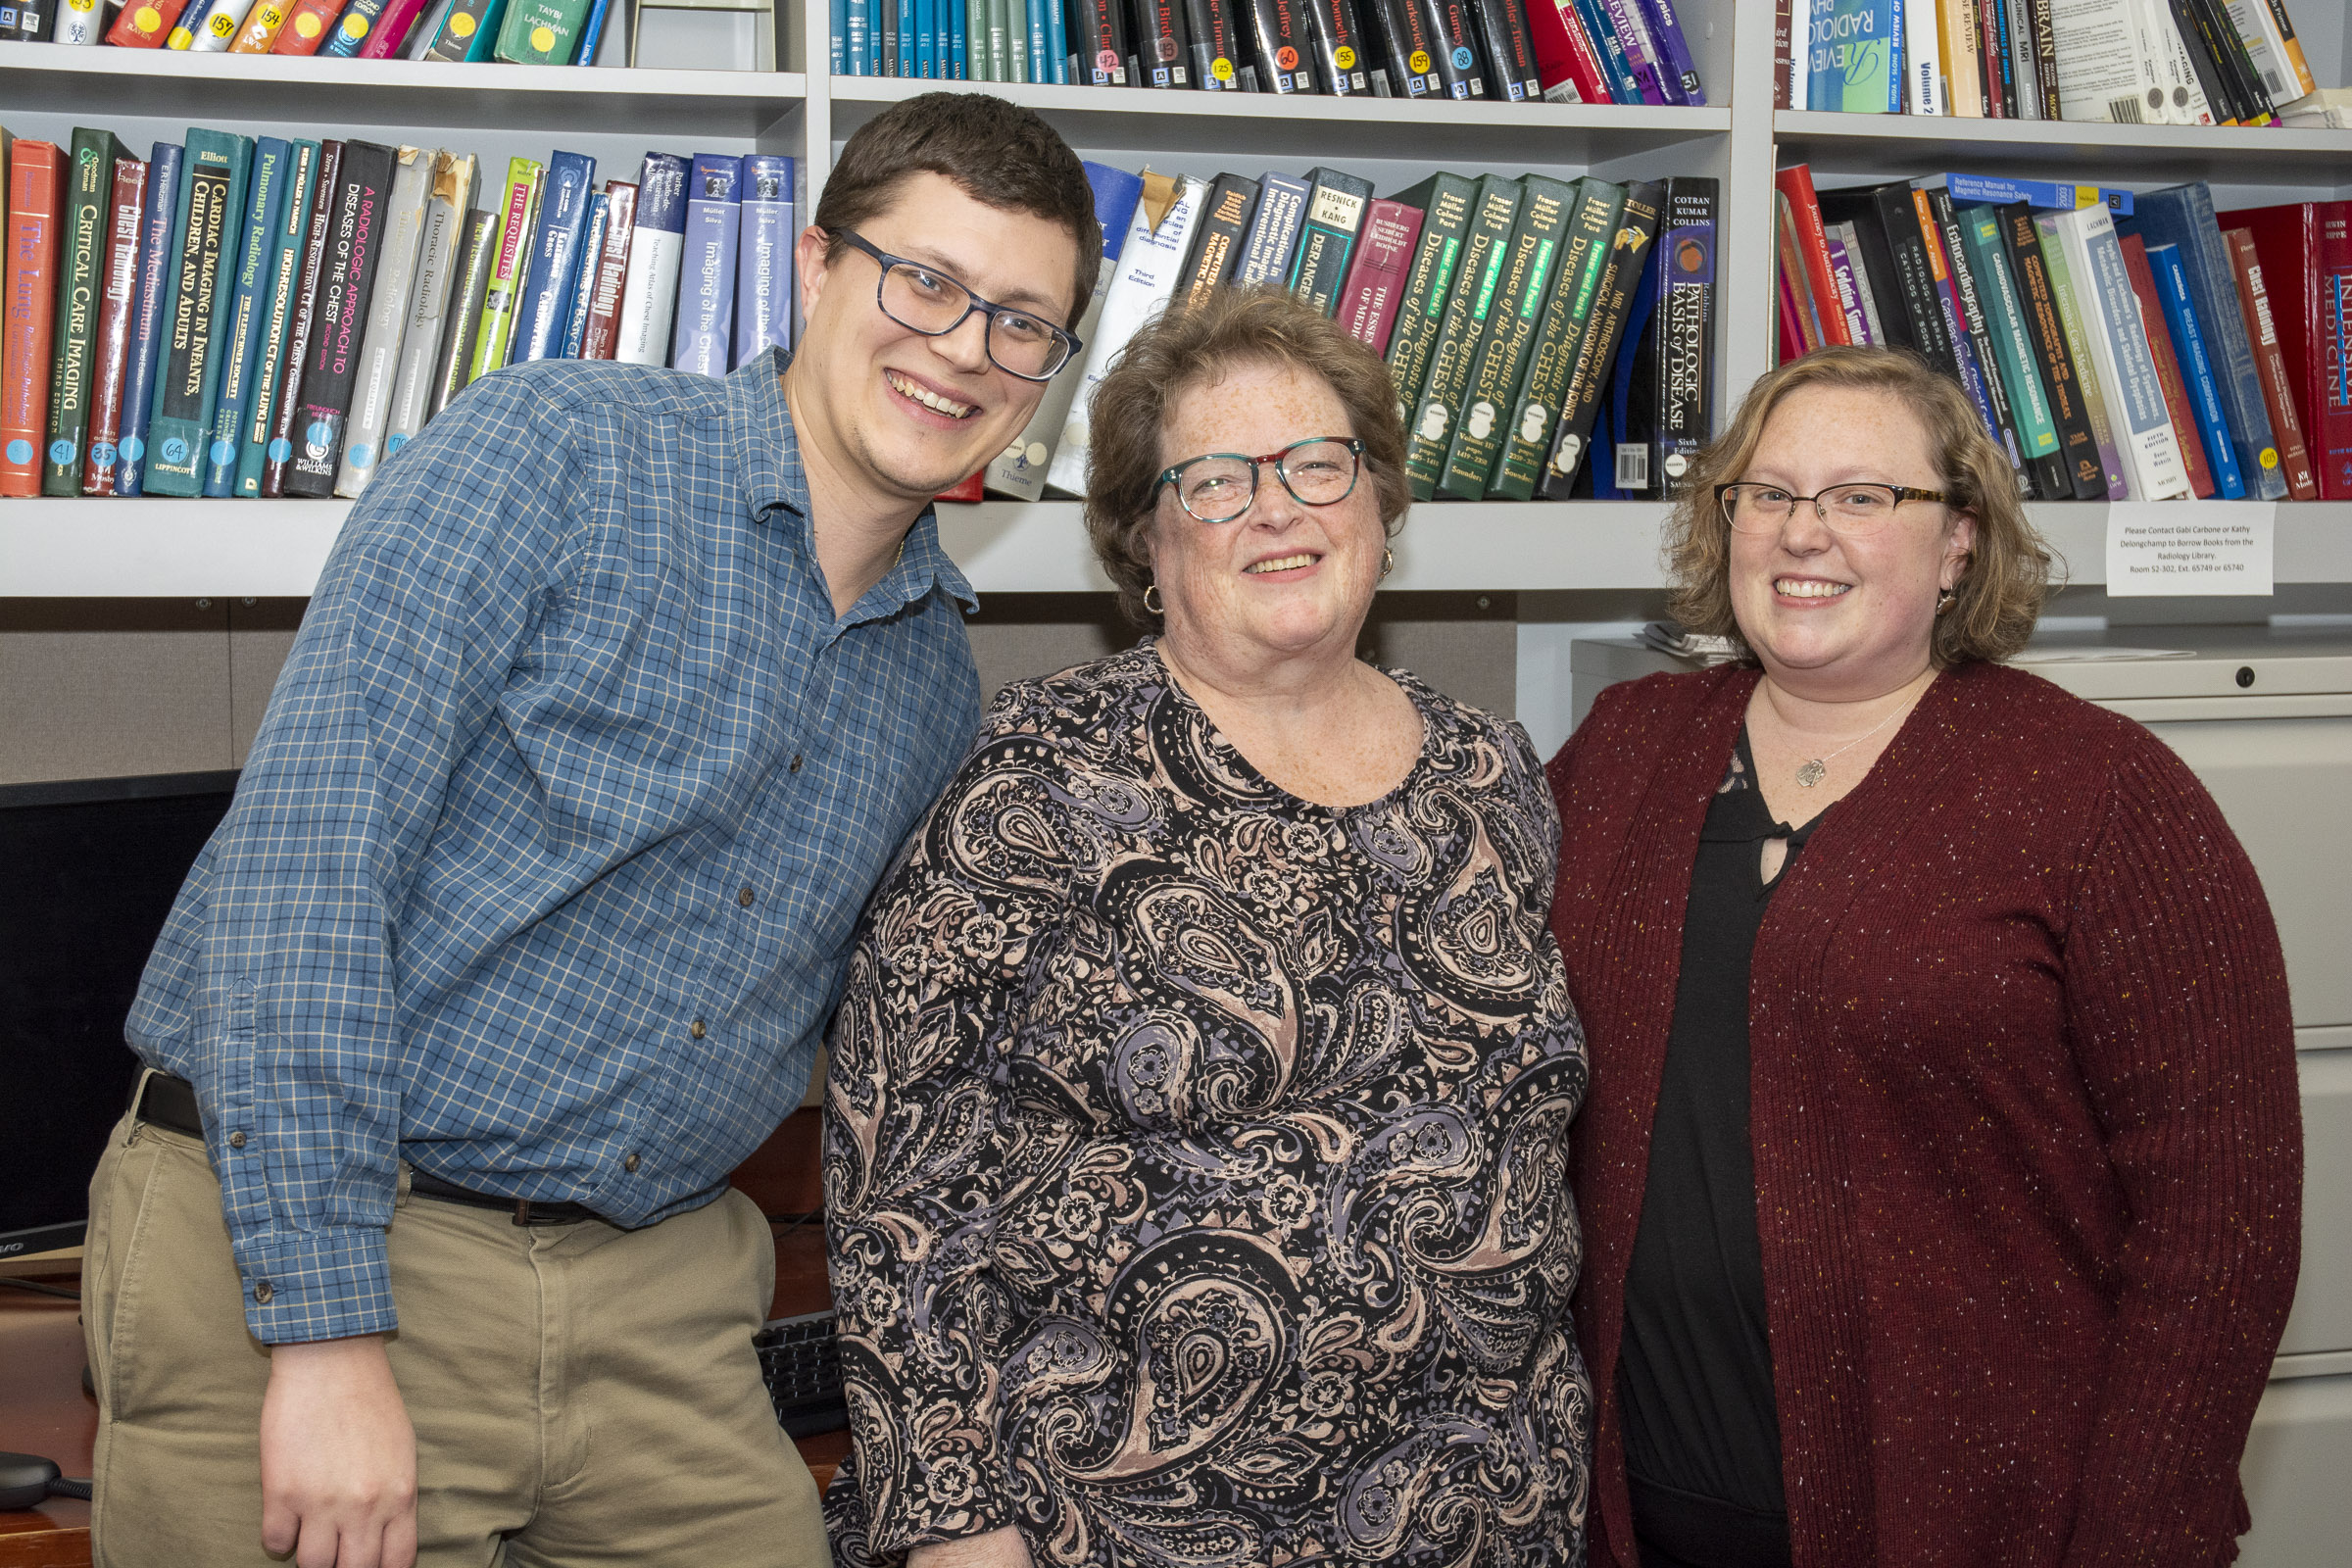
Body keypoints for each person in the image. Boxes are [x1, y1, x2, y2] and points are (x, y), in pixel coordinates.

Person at [82, 91, 1099, 1568]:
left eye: (1021, 323)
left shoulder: (935, 675)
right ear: (817, 264)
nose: (962, 348)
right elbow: (306, 876)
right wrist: (327, 1338)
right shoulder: (554, 450)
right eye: (925, 281)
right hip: (329, 1236)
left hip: (657, 1298)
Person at [820, 287, 1593, 1568]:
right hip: (1110, 1529)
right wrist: (955, 1529)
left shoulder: (1493, 774)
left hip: (1492, 1516)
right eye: (1218, 481)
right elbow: (897, 1189)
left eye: (1317, 464)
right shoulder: (1032, 779)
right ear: (1147, 539)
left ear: (1380, 502)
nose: (1277, 507)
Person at [1546, 345, 2304, 1568]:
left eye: (1862, 496)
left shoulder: (2101, 794)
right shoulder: (1622, 752)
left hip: (1982, 1525)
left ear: (1959, 541)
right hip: (1631, 1518)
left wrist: (2141, 1534)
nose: (1804, 531)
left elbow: (2223, 1226)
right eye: (1768, 493)